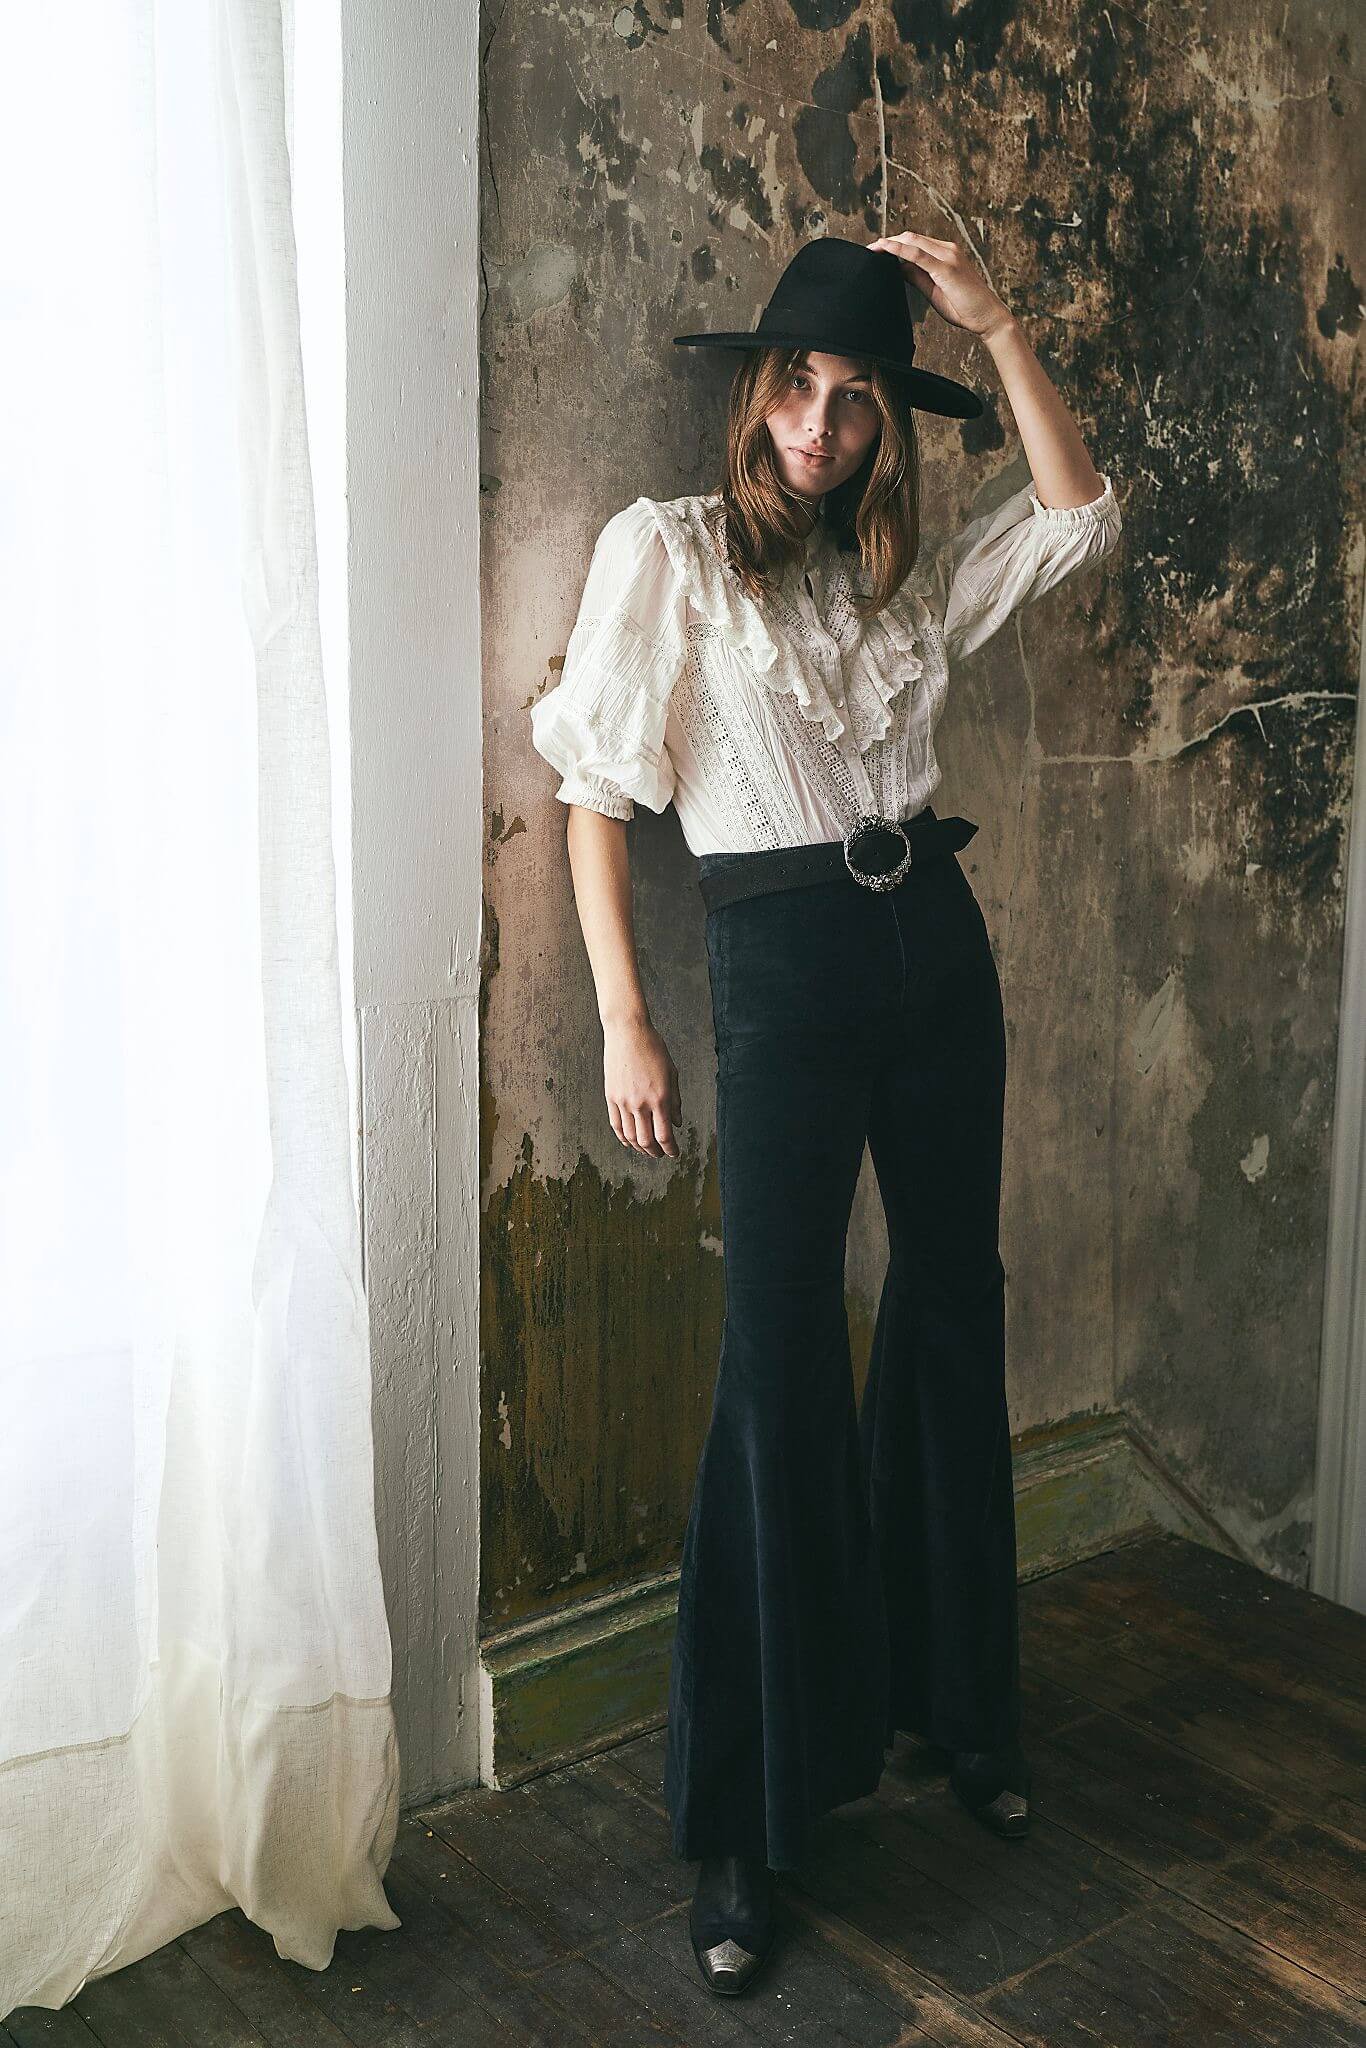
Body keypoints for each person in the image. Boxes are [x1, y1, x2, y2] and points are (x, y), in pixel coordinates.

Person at [528, 231, 1122, 1999]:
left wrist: (996, 323)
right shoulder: (673, 552)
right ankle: (750, 1810)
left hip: (932, 951)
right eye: (797, 384)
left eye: (858, 397)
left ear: (888, 424)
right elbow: (593, 796)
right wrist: (629, 1026)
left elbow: (1078, 511)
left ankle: (957, 1709)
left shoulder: (900, 576)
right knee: (775, 1350)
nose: (821, 421)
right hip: (776, 968)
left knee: (951, 1301)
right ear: (751, 391)